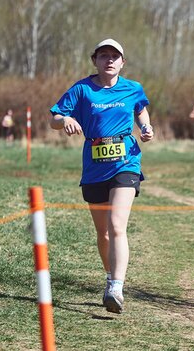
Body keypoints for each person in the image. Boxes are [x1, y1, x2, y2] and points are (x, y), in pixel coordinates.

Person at [49, 37, 153, 314]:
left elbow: (141, 109)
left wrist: (146, 127)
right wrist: (66, 119)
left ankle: (116, 287)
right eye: (104, 55)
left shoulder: (133, 88)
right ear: (94, 60)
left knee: (117, 225)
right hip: (95, 167)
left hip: (126, 163)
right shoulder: (82, 89)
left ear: (122, 62)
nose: (109, 60)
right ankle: (110, 277)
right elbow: (54, 118)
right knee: (103, 232)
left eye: (114, 56)